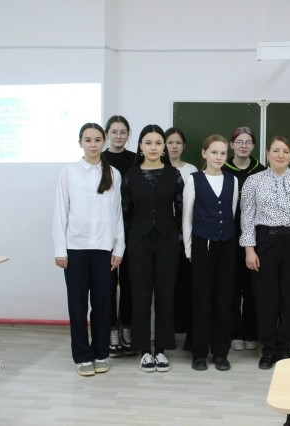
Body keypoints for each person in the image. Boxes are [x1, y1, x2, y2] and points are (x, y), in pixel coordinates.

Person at [240, 136, 290, 370]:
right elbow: (246, 217)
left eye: (285, 151)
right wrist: (249, 250)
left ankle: (285, 348)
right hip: (265, 242)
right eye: (276, 150)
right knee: (266, 298)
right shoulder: (253, 181)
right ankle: (268, 349)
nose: (280, 155)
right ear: (267, 154)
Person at [53, 122, 124, 377]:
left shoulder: (113, 173)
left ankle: (101, 353)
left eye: (97, 140)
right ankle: (82, 356)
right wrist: (60, 249)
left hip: (105, 249)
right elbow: (60, 211)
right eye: (88, 140)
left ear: (104, 142)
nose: (93, 144)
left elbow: (117, 213)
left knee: (103, 304)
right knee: (78, 305)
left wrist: (119, 247)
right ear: (80, 143)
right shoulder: (68, 172)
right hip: (75, 249)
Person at [122, 124, 184, 373]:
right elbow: (125, 213)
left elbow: (181, 211)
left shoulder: (173, 175)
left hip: (167, 242)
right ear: (140, 146)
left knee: (165, 296)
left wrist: (175, 237)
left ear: (164, 147)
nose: (153, 147)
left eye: (159, 143)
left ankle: (161, 349)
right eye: (148, 143)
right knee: (141, 297)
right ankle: (143, 351)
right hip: (138, 242)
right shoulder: (130, 175)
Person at [183, 135, 239, 371]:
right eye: (214, 152)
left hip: (226, 245)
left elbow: (232, 212)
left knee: (223, 299)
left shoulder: (232, 180)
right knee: (201, 298)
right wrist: (189, 249)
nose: (218, 157)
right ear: (204, 153)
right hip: (201, 245)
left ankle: (220, 353)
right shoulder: (194, 179)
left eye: (223, 153)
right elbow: (187, 217)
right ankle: (199, 353)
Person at [222, 126, 266, 352]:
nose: (243, 146)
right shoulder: (222, 169)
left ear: (254, 146)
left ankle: (252, 332)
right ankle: (234, 333)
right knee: (231, 285)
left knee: (253, 286)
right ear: (231, 145)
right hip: (229, 236)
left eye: (248, 142)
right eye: (239, 141)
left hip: (256, 238)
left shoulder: (262, 171)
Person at [101, 115, 136, 358]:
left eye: (123, 132)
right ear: (107, 134)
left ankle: (128, 331)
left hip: (132, 228)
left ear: (128, 134)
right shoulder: (100, 159)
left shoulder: (135, 159)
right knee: (108, 284)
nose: (118, 136)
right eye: (114, 132)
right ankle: (111, 331)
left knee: (130, 284)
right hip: (106, 231)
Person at [165, 127, 198, 351]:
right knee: (167, 287)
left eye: (178, 142)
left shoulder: (192, 170)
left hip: (187, 235)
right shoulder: (158, 169)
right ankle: (166, 334)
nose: (174, 146)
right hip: (165, 235)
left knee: (188, 287)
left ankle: (189, 334)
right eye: (170, 142)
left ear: (184, 145)